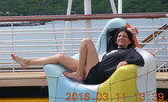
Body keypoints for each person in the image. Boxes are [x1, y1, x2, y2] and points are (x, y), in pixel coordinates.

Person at [11, 27, 144, 85]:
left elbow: (140, 60)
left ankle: (79, 73)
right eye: (119, 36)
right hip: (93, 69)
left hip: (97, 74)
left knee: (86, 41)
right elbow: (110, 31)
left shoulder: (130, 51)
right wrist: (127, 30)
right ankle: (28, 62)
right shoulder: (112, 47)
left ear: (129, 41)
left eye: (125, 37)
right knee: (60, 57)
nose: (121, 38)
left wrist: (127, 62)